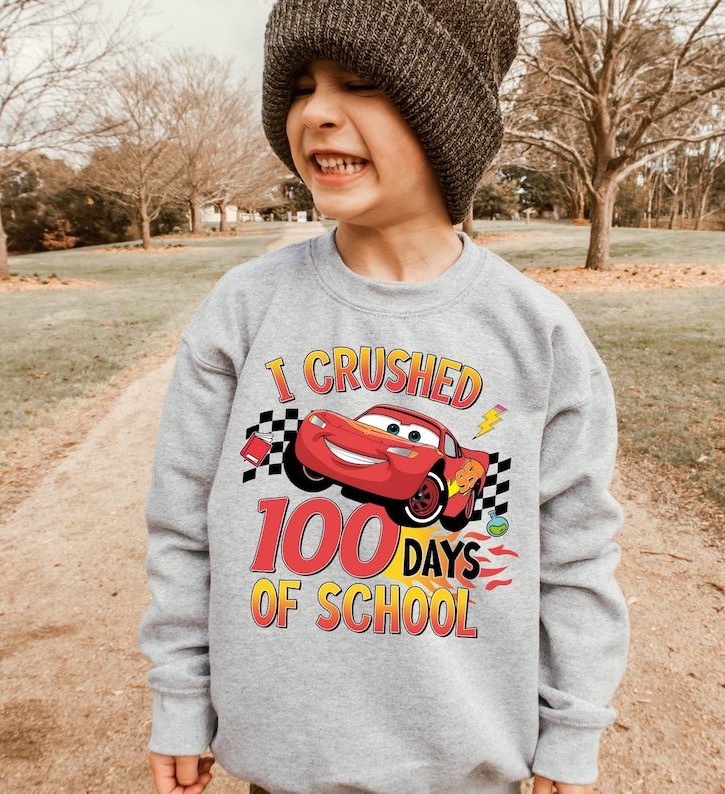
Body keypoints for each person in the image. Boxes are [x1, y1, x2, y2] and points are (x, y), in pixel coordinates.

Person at [139, 1, 629, 793]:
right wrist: (180, 694)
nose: (318, 112)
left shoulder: (537, 334)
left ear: (449, 119)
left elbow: (575, 560)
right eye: (301, 86)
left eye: (360, 82)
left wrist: (572, 730)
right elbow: (183, 525)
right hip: (285, 766)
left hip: (468, 770)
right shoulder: (245, 309)